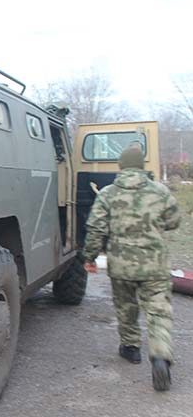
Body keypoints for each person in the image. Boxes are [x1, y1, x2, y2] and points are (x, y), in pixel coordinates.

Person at [83, 144, 180, 392]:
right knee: (159, 312)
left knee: (126, 307)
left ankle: (131, 348)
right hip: (154, 266)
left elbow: (96, 228)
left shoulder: (107, 193)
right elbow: (173, 221)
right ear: (142, 165)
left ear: (121, 166)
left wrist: (90, 257)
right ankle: (160, 357)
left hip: (121, 265)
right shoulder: (160, 191)